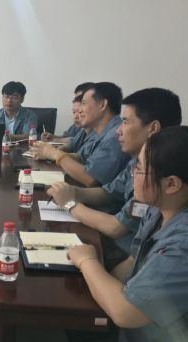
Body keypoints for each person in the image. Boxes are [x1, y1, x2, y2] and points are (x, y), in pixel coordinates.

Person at [55, 126, 188, 342]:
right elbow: (132, 262)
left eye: (139, 169)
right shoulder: (159, 209)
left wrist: (88, 261)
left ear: (172, 184)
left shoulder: (182, 245)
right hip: (145, 331)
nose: (132, 174)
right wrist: (96, 281)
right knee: (80, 323)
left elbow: (125, 312)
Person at [47, 88, 182, 269]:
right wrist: (72, 191)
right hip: (125, 255)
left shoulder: (158, 177)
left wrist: (70, 204)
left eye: (125, 122)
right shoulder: (137, 161)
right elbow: (108, 193)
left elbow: (117, 228)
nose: (119, 130)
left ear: (153, 128)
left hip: (120, 251)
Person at [32, 82, 130, 186]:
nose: (79, 110)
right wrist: (49, 154)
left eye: (83, 103)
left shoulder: (116, 135)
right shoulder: (100, 131)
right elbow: (81, 158)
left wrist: (55, 154)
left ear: (102, 105)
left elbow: (90, 179)